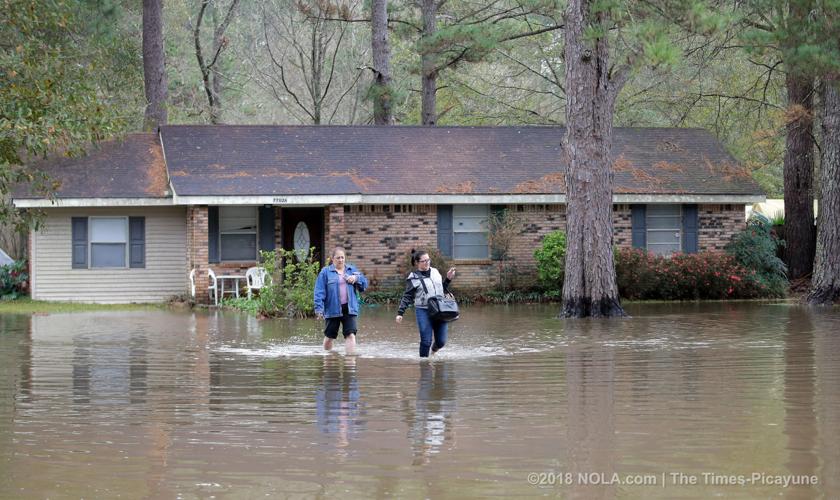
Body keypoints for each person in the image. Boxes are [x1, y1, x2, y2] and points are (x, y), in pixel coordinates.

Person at [395, 249, 456, 358]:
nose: (427, 262)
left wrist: (448, 279)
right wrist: (400, 313)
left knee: (441, 342)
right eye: (424, 261)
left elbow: (441, 288)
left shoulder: (435, 272)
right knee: (426, 341)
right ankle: (424, 364)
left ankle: (433, 352)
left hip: (440, 310)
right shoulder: (413, 277)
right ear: (417, 263)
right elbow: (407, 296)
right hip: (423, 310)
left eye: (428, 260)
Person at [314, 246, 368, 354]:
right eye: (338, 258)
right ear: (332, 258)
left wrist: (356, 279)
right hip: (332, 309)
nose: (341, 260)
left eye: (342, 257)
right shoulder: (325, 272)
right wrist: (319, 309)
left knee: (351, 334)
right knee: (330, 336)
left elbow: (364, 285)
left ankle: (350, 362)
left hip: (349, 308)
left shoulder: (352, 270)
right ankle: (327, 357)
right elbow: (319, 292)